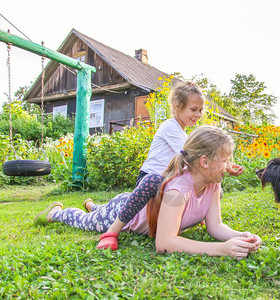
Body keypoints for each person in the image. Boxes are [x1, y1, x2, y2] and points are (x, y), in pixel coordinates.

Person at [34, 126, 261, 259]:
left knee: (97, 211)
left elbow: (215, 226)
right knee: (87, 221)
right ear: (204, 161)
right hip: (124, 213)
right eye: (225, 160)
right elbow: (164, 242)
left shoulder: (213, 183)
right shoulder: (177, 190)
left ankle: (94, 205)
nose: (229, 165)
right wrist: (220, 249)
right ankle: (56, 212)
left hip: (132, 204)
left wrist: (240, 237)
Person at [87, 81, 243, 250]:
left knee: (213, 188)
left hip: (168, 179)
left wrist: (224, 163)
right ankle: (113, 230)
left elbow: (201, 159)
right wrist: (225, 165)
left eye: (200, 110)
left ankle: (93, 206)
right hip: (151, 177)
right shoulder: (170, 127)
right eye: (193, 109)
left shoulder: (182, 131)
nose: (198, 114)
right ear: (177, 106)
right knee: (150, 184)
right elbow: (192, 156)